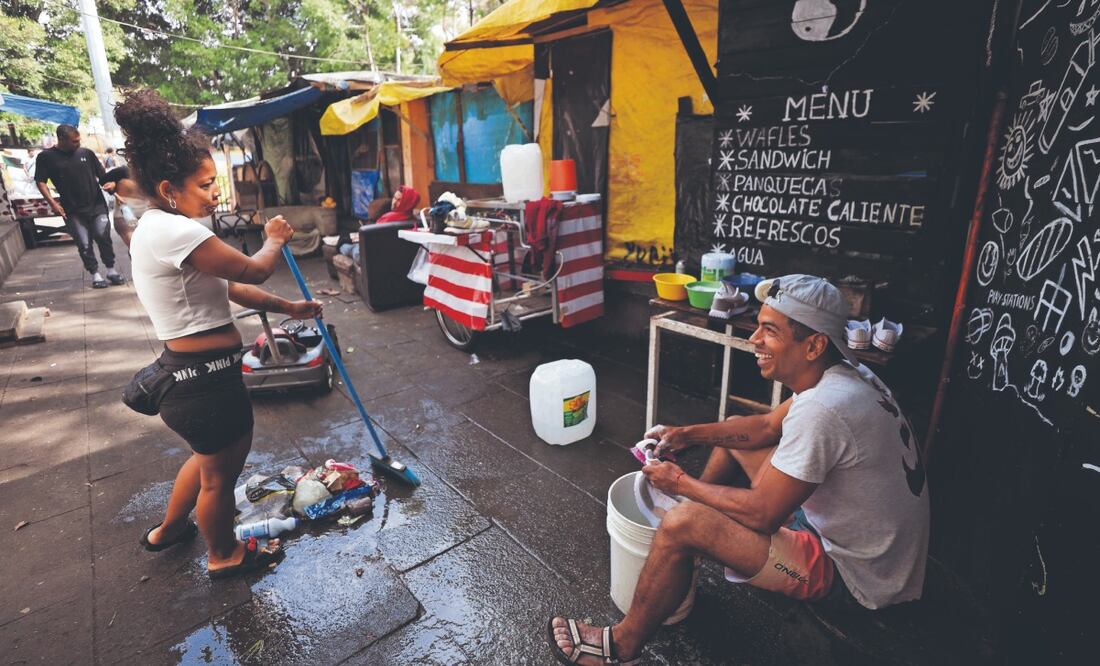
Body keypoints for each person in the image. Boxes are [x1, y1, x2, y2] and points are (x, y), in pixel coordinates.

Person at [547, 274, 930, 665]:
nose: (754, 340)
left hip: (856, 575)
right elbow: (764, 427)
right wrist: (686, 434)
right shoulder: (846, 376)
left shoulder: (825, 409)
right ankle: (684, 552)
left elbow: (764, 514)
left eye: (770, 331)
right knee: (728, 437)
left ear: (813, 345)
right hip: (865, 541)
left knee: (683, 523)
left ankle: (621, 646)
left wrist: (681, 483)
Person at [114, 89, 322, 578]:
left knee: (206, 462)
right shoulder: (178, 232)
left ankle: (168, 531)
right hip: (203, 382)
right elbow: (252, 272)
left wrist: (289, 307)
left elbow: (229, 287)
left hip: (191, 378)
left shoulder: (156, 227)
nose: (215, 194)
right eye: (207, 185)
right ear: (170, 188)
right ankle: (224, 554)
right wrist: (273, 240)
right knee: (219, 477)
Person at [34, 125, 123, 288]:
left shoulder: (86, 153)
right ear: (61, 139)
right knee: (84, 243)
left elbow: (103, 176)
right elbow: (40, 181)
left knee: (102, 235)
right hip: (72, 209)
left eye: (78, 140)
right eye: (74, 141)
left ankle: (111, 270)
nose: (78, 143)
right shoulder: (46, 157)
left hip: (97, 205)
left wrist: (112, 186)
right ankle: (95, 274)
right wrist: (53, 203)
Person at [99, 164, 148, 247]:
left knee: (146, 247)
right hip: (125, 212)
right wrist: (113, 189)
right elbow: (103, 181)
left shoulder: (154, 173)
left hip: (147, 215)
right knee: (135, 246)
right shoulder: (122, 171)